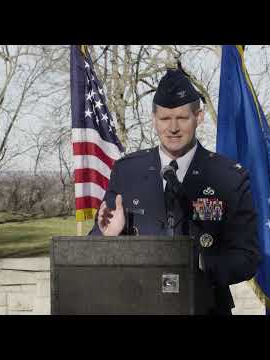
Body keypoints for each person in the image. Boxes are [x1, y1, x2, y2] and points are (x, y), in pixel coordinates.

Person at [90, 67, 261, 315]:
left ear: (198, 117)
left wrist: (200, 263)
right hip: (138, 306)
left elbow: (248, 257)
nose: (172, 128)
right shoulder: (127, 172)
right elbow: (92, 246)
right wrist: (109, 238)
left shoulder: (228, 177)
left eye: (181, 118)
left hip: (205, 306)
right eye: (164, 119)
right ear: (153, 119)